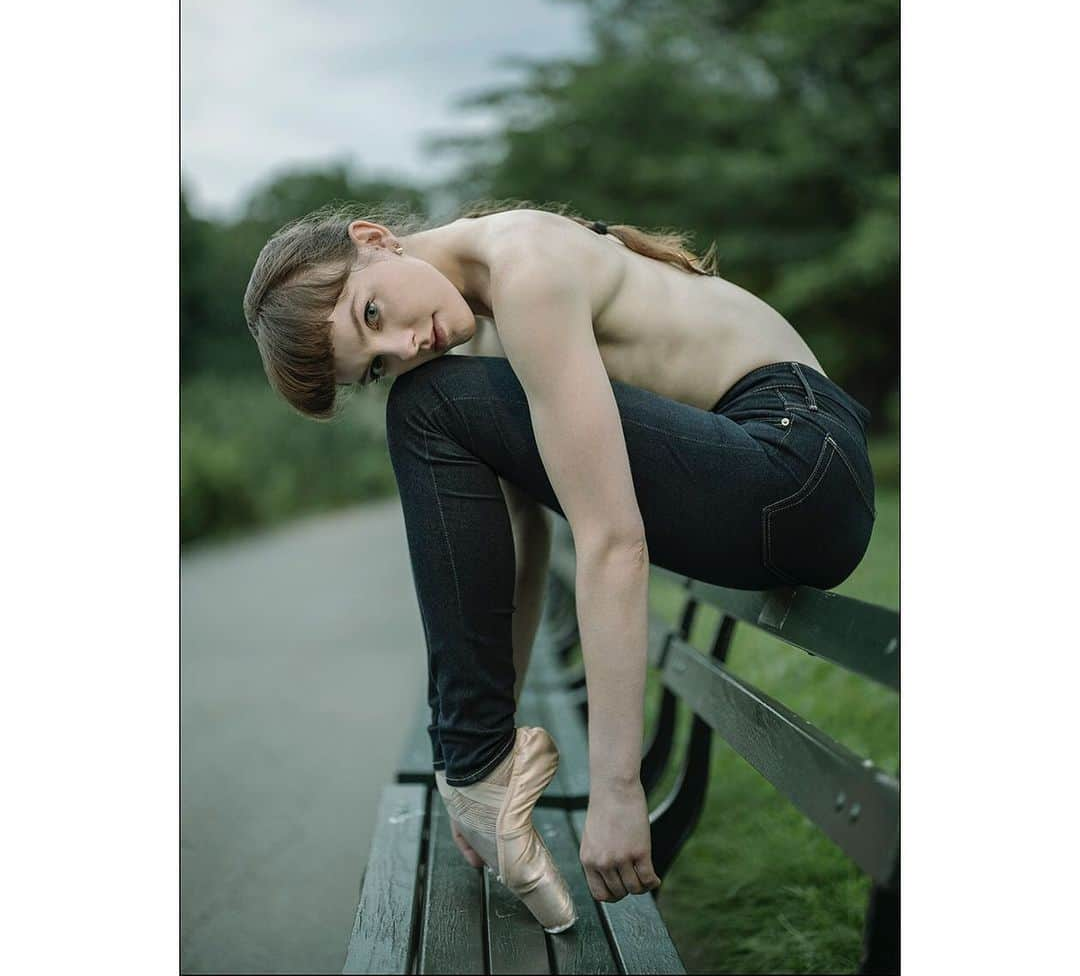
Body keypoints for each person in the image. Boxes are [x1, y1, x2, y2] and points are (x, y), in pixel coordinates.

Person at [242, 202, 877, 933]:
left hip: (797, 465)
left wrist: (616, 790)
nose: (407, 344)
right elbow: (519, 539)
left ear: (374, 240)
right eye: (379, 363)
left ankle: (472, 766)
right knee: (430, 399)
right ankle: (476, 769)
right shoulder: (482, 320)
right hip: (791, 479)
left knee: (425, 406)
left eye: (375, 312)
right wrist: (489, 753)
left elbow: (613, 540)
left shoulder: (526, 268)